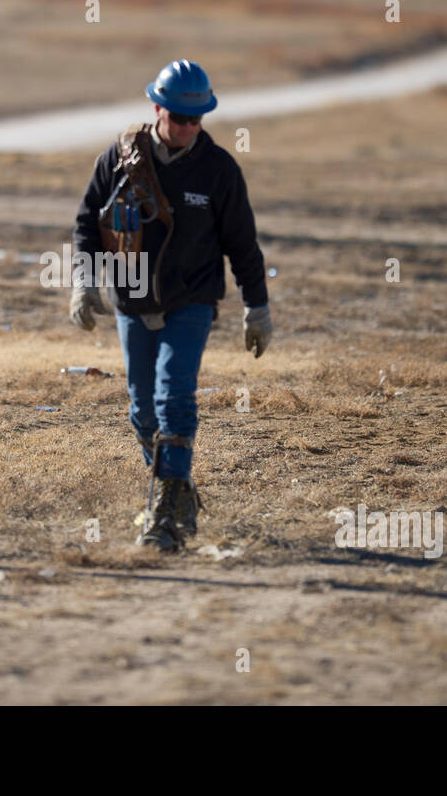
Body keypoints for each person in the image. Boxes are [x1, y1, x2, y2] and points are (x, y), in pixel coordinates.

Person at [70, 59, 273, 552]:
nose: (186, 127)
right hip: (131, 300)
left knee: (173, 396)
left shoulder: (219, 169)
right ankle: (179, 491)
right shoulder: (117, 160)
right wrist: (84, 282)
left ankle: (161, 516)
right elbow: (85, 226)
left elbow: (243, 245)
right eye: (177, 117)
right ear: (156, 108)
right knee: (142, 412)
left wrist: (257, 307)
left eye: (195, 119)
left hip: (192, 300)